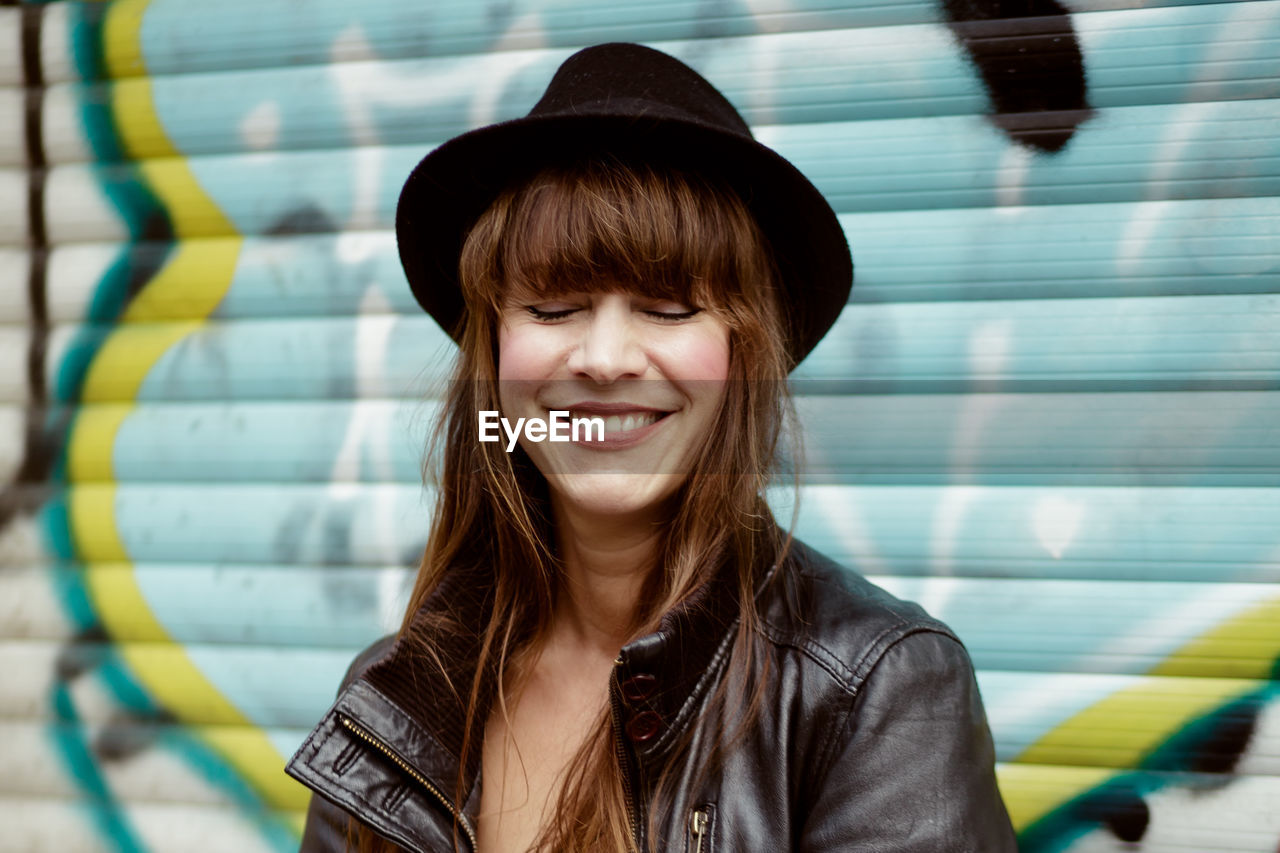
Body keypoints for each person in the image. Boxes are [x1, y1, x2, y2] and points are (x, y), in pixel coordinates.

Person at [286, 42, 1017, 852]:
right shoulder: (397, 697)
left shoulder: (877, 691)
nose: (604, 357)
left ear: (741, 357)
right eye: (554, 307)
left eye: (668, 308)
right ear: (492, 356)